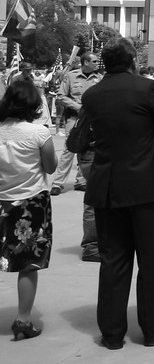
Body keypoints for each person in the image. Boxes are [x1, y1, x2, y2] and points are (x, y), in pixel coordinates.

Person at [83, 38, 154, 348]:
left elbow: (84, 137)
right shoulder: (147, 88)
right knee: (153, 261)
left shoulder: (91, 94)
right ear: (131, 61)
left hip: (108, 188)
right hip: (148, 187)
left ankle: (112, 334)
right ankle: (151, 330)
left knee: (113, 261)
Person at [0, 80, 57, 341]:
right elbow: (50, 167)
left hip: (2, 200)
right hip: (30, 204)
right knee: (27, 264)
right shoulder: (39, 134)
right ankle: (23, 319)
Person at [52, 52, 102, 197]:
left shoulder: (99, 78)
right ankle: (58, 183)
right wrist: (78, 107)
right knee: (69, 148)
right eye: (94, 61)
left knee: (86, 147)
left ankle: (81, 180)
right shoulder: (71, 76)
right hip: (74, 118)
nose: (97, 63)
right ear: (86, 62)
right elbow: (61, 96)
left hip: (92, 119)